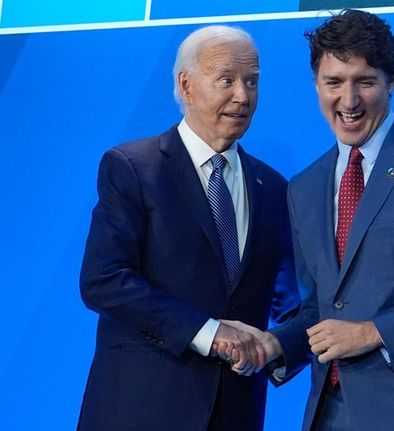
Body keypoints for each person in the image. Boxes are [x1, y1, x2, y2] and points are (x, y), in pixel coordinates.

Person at [248, 9, 394, 431]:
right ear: (316, 85)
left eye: (364, 81)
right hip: (330, 411)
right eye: (334, 82)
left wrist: (374, 332)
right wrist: (275, 343)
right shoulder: (304, 187)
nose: (349, 100)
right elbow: (320, 309)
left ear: (391, 81)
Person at [78, 25, 300, 431]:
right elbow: (104, 280)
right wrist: (209, 333)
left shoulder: (274, 188)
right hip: (141, 409)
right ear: (186, 84)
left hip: (235, 412)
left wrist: (283, 345)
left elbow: (293, 300)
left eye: (252, 82)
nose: (243, 96)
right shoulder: (133, 168)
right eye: (227, 80)